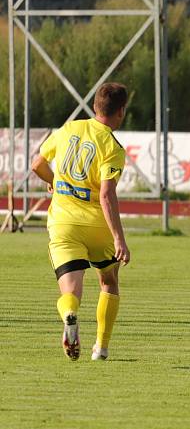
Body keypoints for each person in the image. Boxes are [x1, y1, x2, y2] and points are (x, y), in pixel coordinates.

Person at [31, 82, 131, 361]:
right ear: (121, 111)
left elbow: (36, 164)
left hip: (63, 223)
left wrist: (55, 183)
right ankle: (101, 347)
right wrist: (119, 238)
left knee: (70, 290)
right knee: (109, 281)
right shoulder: (112, 146)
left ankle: (70, 315)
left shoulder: (70, 128)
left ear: (95, 106)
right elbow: (107, 194)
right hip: (97, 226)